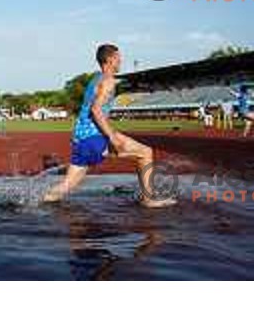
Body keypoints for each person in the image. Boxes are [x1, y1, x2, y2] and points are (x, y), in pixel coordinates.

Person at [42, 44, 177, 207]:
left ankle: (35, 201)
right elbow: (96, 110)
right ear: (110, 59)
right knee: (145, 153)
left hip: (82, 137)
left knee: (68, 185)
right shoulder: (108, 81)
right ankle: (149, 199)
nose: (121, 61)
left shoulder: (96, 79)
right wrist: (112, 137)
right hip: (95, 136)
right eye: (118, 58)